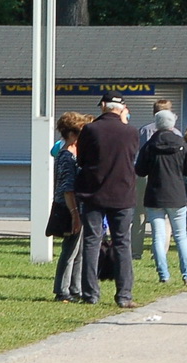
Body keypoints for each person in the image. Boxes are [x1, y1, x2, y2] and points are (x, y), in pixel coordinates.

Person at [75, 94, 139, 308]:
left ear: (103, 106)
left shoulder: (90, 130)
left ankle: (90, 293)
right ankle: (124, 295)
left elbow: (81, 160)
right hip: (122, 194)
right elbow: (132, 158)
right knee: (123, 243)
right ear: (121, 109)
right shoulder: (130, 131)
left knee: (92, 242)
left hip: (93, 193)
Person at [135, 108, 187, 287]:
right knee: (181, 236)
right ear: (173, 123)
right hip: (177, 195)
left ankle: (163, 274)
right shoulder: (181, 143)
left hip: (154, 195)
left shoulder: (149, 145)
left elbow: (139, 170)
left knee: (158, 236)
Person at [51, 112, 87, 302]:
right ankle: (62, 289)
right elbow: (67, 189)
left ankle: (76, 288)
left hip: (75, 206)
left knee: (79, 250)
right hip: (68, 207)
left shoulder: (73, 154)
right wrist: (74, 214)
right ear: (72, 134)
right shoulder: (66, 155)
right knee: (70, 250)